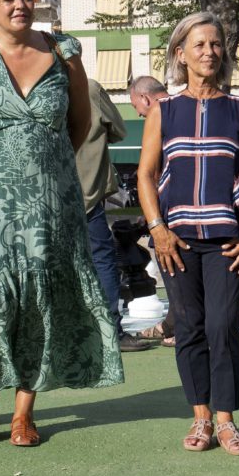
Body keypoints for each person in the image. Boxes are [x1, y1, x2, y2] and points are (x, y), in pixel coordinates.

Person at [0, 0, 123, 448]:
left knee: (40, 301)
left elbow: (80, 123)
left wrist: (48, 163)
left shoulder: (63, 54)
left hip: (49, 203)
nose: (20, 5)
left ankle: (24, 411)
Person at [136, 12, 239, 455]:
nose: (209, 52)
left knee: (223, 324)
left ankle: (228, 422)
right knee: (189, 325)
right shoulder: (164, 110)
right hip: (176, 240)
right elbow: (146, 174)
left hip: (227, 238)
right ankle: (201, 419)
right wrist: (158, 230)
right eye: (199, 45)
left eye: (216, 44)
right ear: (180, 54)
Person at [77, 77, 153, 352]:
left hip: (45, 195)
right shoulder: (89, 88)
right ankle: (110, 330)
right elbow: (119, 130)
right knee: (103, 260)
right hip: (86, 191)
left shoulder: (32, 84)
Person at [128, 75, 177, 348]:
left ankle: (180, 325)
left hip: (169, 209)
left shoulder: (157, 116)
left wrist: (152, 214)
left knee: (170, 265)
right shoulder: (184, 108)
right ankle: (172, 322)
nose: (137, 112)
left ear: (146, 98)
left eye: (137, 105)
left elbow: (152, 171)